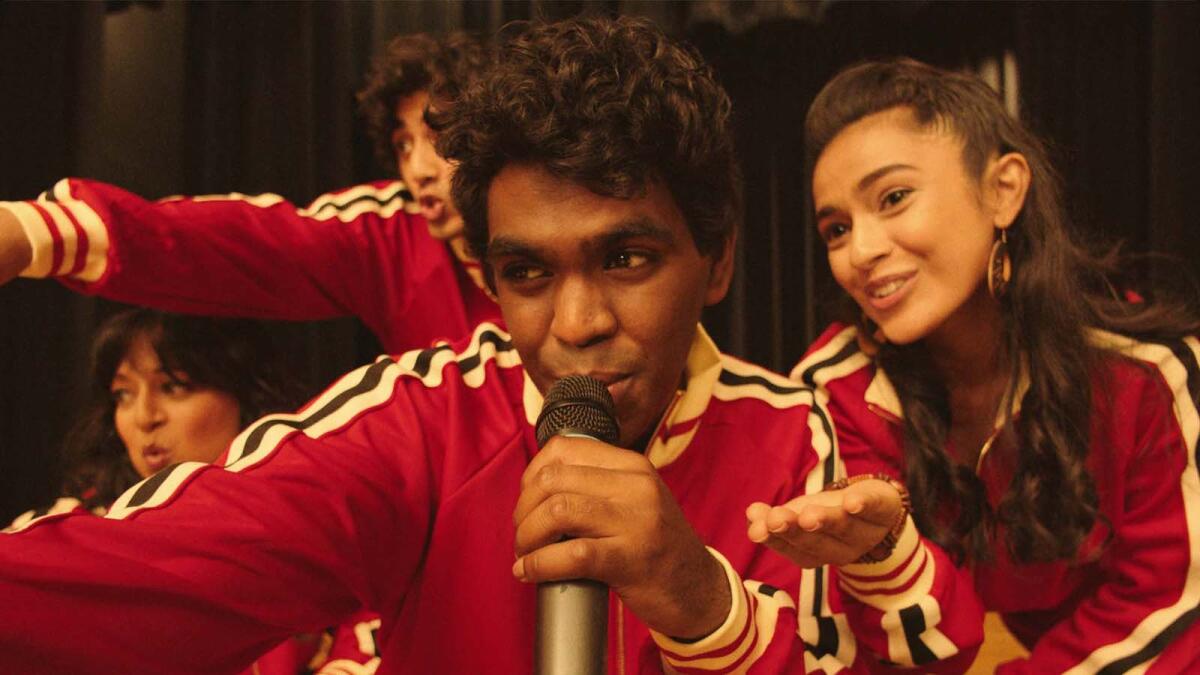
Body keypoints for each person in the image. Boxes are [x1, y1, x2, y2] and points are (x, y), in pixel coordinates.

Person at [0, 17, 982, 674]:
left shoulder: (790, 437)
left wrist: (699, 602)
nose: (577, 325)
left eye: (629, 258)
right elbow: (137, 573)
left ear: (717, 260)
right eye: (528, 274)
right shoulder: (421, 423)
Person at [747, 58, 1200, 673]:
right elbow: (895, 651)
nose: (861, 251)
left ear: (1003, 190)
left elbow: (1171, 605)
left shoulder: (1145, 373)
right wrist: (886, 549)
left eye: (894, 197)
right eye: (836, 229)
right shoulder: (835, 391)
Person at [0, 31, 500, 354]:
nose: (417, 168)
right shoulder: (389, 234)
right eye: (402, 144)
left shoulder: (563, 216)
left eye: (437, 138)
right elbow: (251, 243)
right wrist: (38, 231)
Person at [5, 308, 382, 675]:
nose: (145, 416)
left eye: (173, 387)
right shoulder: (66, 531)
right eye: (123, 394)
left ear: (243, 391)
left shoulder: (325, 521)